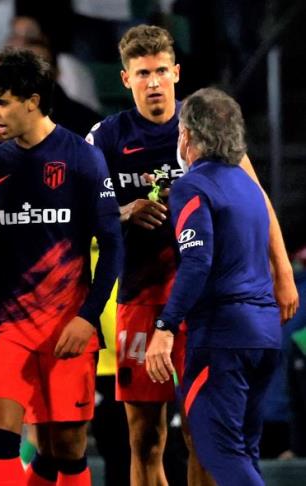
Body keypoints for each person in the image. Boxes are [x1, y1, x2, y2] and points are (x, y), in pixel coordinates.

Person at [86, 24, 299, 486]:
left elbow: (257, 197)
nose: (154, 82)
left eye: (161, 70)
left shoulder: (203, 125)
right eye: (143, 73)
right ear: (125, 79)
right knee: (145, 437)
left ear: (177, 72)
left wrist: (282, 271)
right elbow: (78, 212)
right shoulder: (106, 138)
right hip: (141, 298)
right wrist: (123, 211)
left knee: (203, 434)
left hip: (204, 305)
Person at [0, 47, 123, 486]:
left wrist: (87, 317)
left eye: (1, 102)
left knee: (66, 452)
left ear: (33, 101)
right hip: (6, 326)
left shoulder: (82, 158)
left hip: (66, 326)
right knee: (0, 438)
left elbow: (112, 246)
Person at [145, 87, 281, 486]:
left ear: (187, 135)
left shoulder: (193, 186)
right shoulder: (249, 187)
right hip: (264, 335)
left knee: (219, 451)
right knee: (244, 450)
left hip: (223, 338)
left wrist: (165, 326)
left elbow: (197, 262)